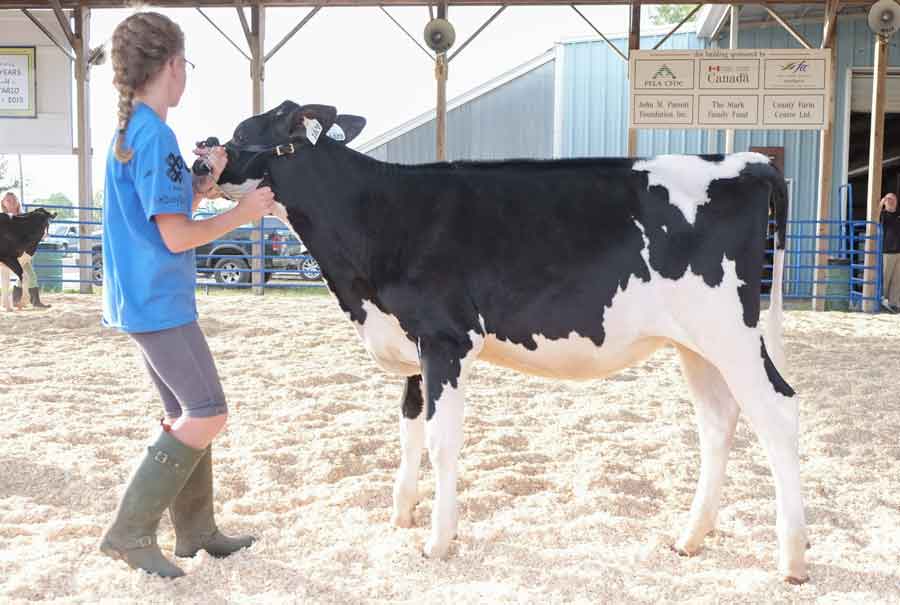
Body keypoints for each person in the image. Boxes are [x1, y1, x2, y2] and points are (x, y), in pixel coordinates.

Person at [98, 12, 276, 578]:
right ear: (173, 66)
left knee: (185, 411)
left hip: (144, 296)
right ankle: (129, 533)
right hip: (158, 297)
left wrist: (202, 184)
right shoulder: (155, 136)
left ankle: (196, 530)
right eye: (185, 65)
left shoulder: (136, 134)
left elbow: (168, 218)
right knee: (207, 411)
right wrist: (243, 213)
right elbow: (176, 236)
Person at [0, 191, 50, 310]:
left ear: (18, 202)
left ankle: (22, 300)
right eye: (8, 200)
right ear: (3, 203)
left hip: (23, 252)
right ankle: (18, 300)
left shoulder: (25, 217)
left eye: (13, 200)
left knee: (28, 275)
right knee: (24, 275)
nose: (11, 202)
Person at [881, 192, 900, 312]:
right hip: (888, 251)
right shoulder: (883, 214)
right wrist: (880, 204)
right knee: (885, 277)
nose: (891, 202)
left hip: (899, 251)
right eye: (889, 199)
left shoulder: (899, 214)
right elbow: (873, 216)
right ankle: (882, 300)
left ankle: (894, 303)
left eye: (893, 199)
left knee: (897, 280)